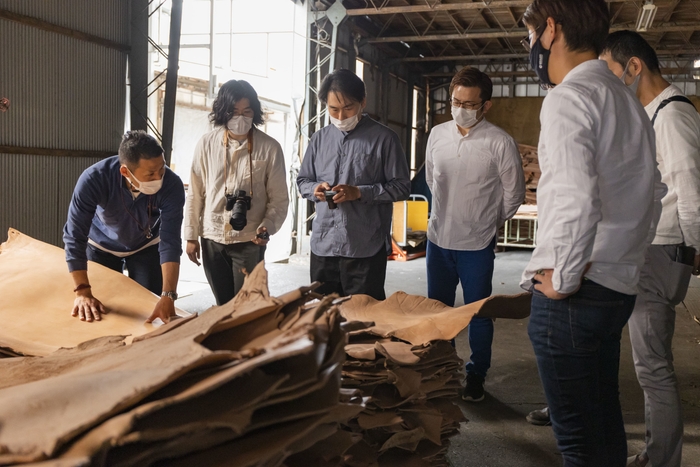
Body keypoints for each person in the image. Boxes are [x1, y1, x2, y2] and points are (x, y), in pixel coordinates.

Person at [519, 1, 664, 465]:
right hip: (616, 284)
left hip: (577, 293)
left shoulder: (568, 98)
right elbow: (653, 191)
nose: (532, 46)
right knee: (602, 426)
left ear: (551, 30)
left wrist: (562, 276)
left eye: (532, 34)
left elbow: (575, 200)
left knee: (579, 441)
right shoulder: (625, 97)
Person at [601, 31, 700, 467]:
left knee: (653, 366)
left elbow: (691, 190)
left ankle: (662, 459)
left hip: (663, 251)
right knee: (646, 361)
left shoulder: (673, 115)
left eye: (611, 72)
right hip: (652, 247)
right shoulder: (652, 113)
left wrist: (697, 247)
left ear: (634, 66)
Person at [425, 67, 525, 402]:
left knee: (478, 314)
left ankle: (476, 375)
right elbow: (430, 181)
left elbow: (514, 194)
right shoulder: (437, 136)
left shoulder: (499, 142)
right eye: (456, 101)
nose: (461, 108)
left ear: (486, 105)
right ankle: (444, 370)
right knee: (439, 313)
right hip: (438, 240)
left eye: (470, 103)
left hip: (476, 245)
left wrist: (489, 222)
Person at [297, 69, 411, 300]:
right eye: (333, 109)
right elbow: (303, 181)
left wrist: (359, 192)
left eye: (348, 108)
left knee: (364, 319)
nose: (340, 116)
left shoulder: (385, 139)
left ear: (362, 102)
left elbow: (401, 187)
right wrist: (314, 189)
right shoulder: (319, 139)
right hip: (324, 245)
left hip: (364, 247)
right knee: (323, 316)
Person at [63, 130, 185, 324]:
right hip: (101, 246)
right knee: (104, 310)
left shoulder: (172, 184)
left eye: (161, 169)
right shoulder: (94, 179)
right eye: (150, 174)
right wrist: (82, 291)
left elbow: (170, 241)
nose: (159, 178)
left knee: (150, 309)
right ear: (125, 172)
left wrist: (168, 295)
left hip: (146, 245)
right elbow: (74, 235)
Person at [185, 80, 289, 306]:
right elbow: (195, 193)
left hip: (250, 238)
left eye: (247, 111)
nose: (240, 118)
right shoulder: (206, 144)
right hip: (212, 237)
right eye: (233, 112)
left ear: (255, 112)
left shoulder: (270, 147)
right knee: (223, 304)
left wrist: (267, 227)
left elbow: (279, 199)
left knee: (246, 305)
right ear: (222, 112)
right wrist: (191, 235)